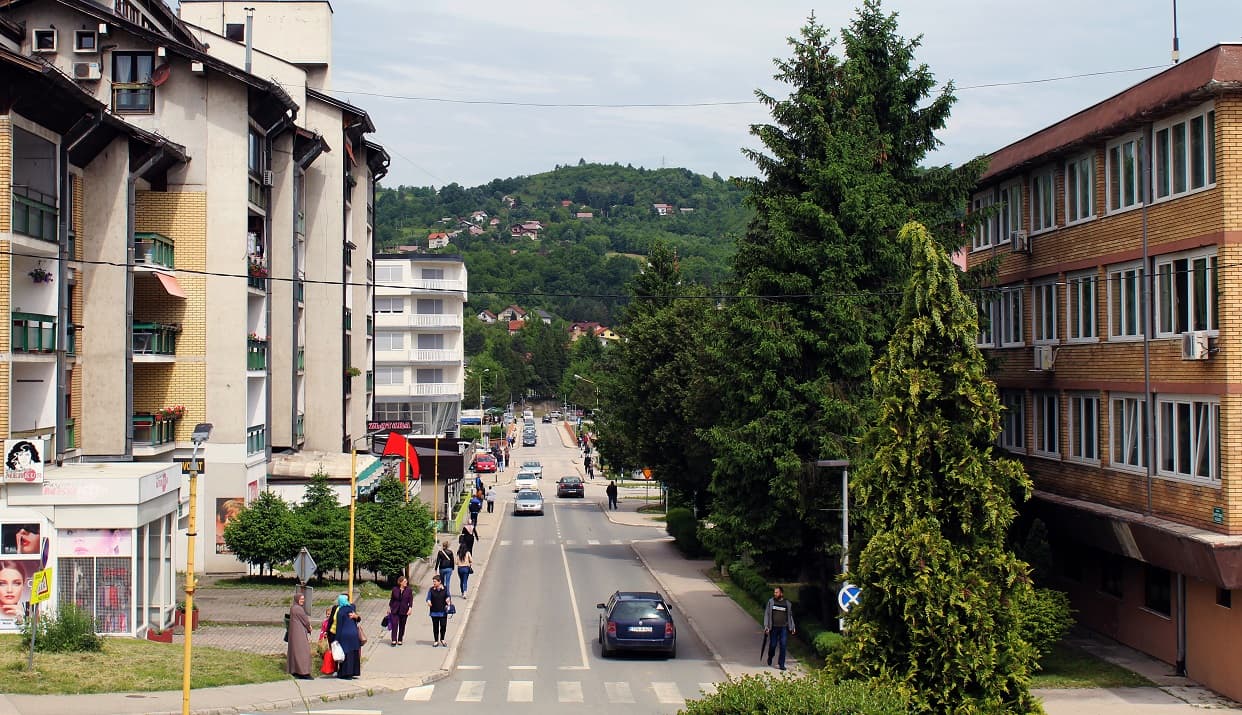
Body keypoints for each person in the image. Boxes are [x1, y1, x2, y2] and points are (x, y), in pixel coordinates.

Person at [763, 586, 797, 671]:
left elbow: (790, 616)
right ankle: (770, 656)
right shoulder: (771, 602)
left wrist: (792, 627)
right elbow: (767, 614)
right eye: (774, 592)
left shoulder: (787, 603)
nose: (775, 594)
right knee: (773, 645)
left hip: (783, 628)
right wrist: (766, 626)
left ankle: (781, 664)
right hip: (773, 628)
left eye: (776, 592)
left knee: (783, 645)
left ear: (781, 593)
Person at [331, 594, 362, 679]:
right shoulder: (352, 608)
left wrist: (336, 639)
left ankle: (345, 674)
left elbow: (339, 626)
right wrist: (356, 616)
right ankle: (353, 672)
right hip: (354, 633)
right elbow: (358, 619)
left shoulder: (340, 611)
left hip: (345, 634)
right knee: (353, 653)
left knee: (346, 653)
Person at [286, 592, 313, 679]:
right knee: (303, 652)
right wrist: (309, 628)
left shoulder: (293, 608)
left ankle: (294, 670)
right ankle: (304, 672)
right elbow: (305, 621)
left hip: (294, 634)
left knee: (295, 652)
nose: (303, 601)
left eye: (303, 599)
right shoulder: (299, 609)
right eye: (301, 599)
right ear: (297, 599)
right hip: (299, 633)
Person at [426, 575, 452, 647]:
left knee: (443, 625)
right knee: (435, 626)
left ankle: (442, 639)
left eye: (435, 581)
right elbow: (428, 597)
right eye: (433, 581)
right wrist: (428, 601)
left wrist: (448, 600)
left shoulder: (445, 589)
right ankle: (436, 640)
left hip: (443, 611)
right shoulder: (431, 589)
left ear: (439, 582)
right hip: (434, 611)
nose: (434, 583)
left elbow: (448, 596)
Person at [388, 575, 414, 646]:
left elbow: (410, 600)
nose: (406, 582)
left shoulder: (409, 590)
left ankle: (400, 639)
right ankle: (393, 640)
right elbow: (392, 599)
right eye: (404, 581)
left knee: (402, 625)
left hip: (404, 610)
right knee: (394, 624)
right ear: (400, 582)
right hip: (395, 609)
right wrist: (389, 608)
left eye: (406, 581)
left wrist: (410, 608)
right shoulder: (395, 589)